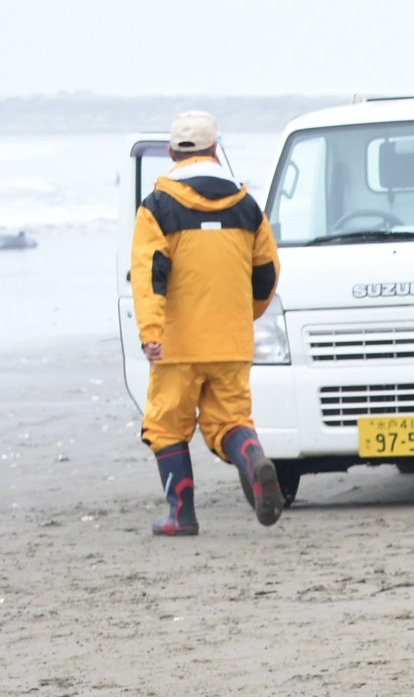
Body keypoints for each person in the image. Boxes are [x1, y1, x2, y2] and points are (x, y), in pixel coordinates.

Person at [129, 110, 283, 537]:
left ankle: (182, 515)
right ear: (216, 149)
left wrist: (151, 333)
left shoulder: (157, 207)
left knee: (165, 426)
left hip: (178, 344)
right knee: (231, 422)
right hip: (232, 341)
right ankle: (254, 460)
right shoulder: (247, 206)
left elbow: (150, 274)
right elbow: (267, 272)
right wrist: (243, 315)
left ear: (171, 153)